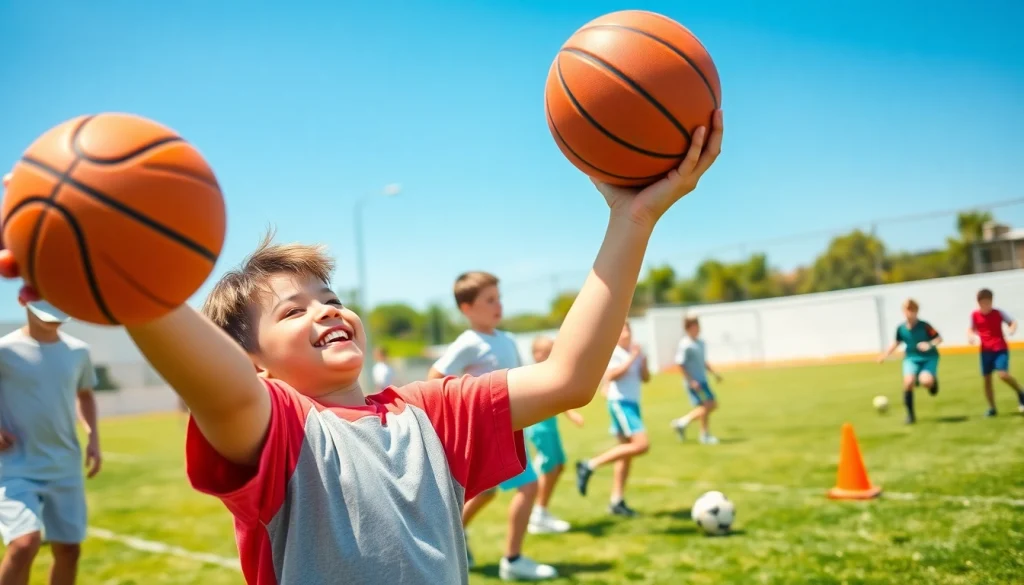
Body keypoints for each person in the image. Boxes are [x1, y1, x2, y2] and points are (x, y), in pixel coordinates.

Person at [0, 110, 722, 585]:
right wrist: (123, 274)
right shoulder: (277, 427)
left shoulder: (433, 413)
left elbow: (568, 375)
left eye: (333, 300)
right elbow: (217, 383)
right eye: (294, 311)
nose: (326, 313)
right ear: (253, 357)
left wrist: (633, 219)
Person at [426, 271, 554, 580]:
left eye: (499, 298)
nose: (498, 305)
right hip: (492, 432)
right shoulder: (468, 343)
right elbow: (434, 379)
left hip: (513, 429)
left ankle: (447, 540)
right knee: (529, 485)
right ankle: (512, 559)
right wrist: (466, 410)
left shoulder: (507, 339)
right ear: (466, 308)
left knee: (485, 493)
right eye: (489, 300)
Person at [0, 300, 101, 585]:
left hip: (64, 464)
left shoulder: (78, 351)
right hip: (15, 464)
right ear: (23, 301)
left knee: (69, 550)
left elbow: (85, 395)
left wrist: (93, 437)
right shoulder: (4, 350)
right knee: (24, 544)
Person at [575, 322, 649, 517]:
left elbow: (645, 378)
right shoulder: (614, 353)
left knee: (625, 455)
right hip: (621, 403)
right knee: (641, 445)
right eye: (621, 330)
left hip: (633, 403)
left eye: (628, 329)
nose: (626, 333)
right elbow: (612, 375)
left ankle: (617, 501)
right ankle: (589, 465)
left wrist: (643, 362)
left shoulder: (634, 352)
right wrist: (632, 358)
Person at [522, 336, 584, 535]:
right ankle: (537, 516)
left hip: (551, 426)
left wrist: (571, 413)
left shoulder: (551, 373)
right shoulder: (532, 374)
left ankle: (542, 510)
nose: (551, 353)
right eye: (547, 350)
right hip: (539, 429)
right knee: (549, 468)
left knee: (559, 466)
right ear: (536, 354)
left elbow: (558, 397)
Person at [877, 298, 942, 424]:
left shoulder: (925, 326)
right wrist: (885, 355)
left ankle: (932, 383)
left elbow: (938, 339)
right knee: (908, 382)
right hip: (911, 358)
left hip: (928, 358)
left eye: (912, 310)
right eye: (907, 310)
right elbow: (896, 342)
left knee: (926, 381)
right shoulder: (901, 329)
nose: (910, 313)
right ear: (903, 311)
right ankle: (910, 415)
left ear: (917, 311)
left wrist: (929, 344)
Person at [968, 288, 1024, 416]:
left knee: (1003, 374)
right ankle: (992, 408)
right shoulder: (975, 315)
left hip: (1000, 348)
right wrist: (971, 336)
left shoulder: (998, 313)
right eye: (983, 303)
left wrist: (1011, 329)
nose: (986, 305)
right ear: (979, 303)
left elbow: (1012, 322)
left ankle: (1020, 392)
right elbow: (971, 329)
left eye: (988, 302)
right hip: (985, 351)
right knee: (987, 380)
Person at [670, 314, 723, 445]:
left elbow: (703, 362)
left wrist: (714, 374)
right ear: (689, 327)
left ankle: (687, 426)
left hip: (703, 380)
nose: (698, 328)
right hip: (695, 383)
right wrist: (691, 381)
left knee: (706, 407)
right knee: (709, 405)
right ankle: (691, 428)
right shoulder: (685, 344)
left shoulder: (700, 343)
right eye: (695, 325)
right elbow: (680, 364)